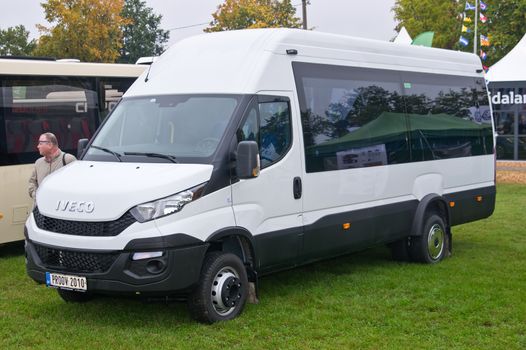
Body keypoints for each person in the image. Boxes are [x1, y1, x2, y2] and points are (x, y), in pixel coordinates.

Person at [28, 132, 76, 199]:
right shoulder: (38, 163)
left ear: (50, 145)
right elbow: (32, 182)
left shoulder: (69, 159)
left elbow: (76, 183)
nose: (38, 146)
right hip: (41, 206)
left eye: (40, 143)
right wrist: (36, 195)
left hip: (60, 206)